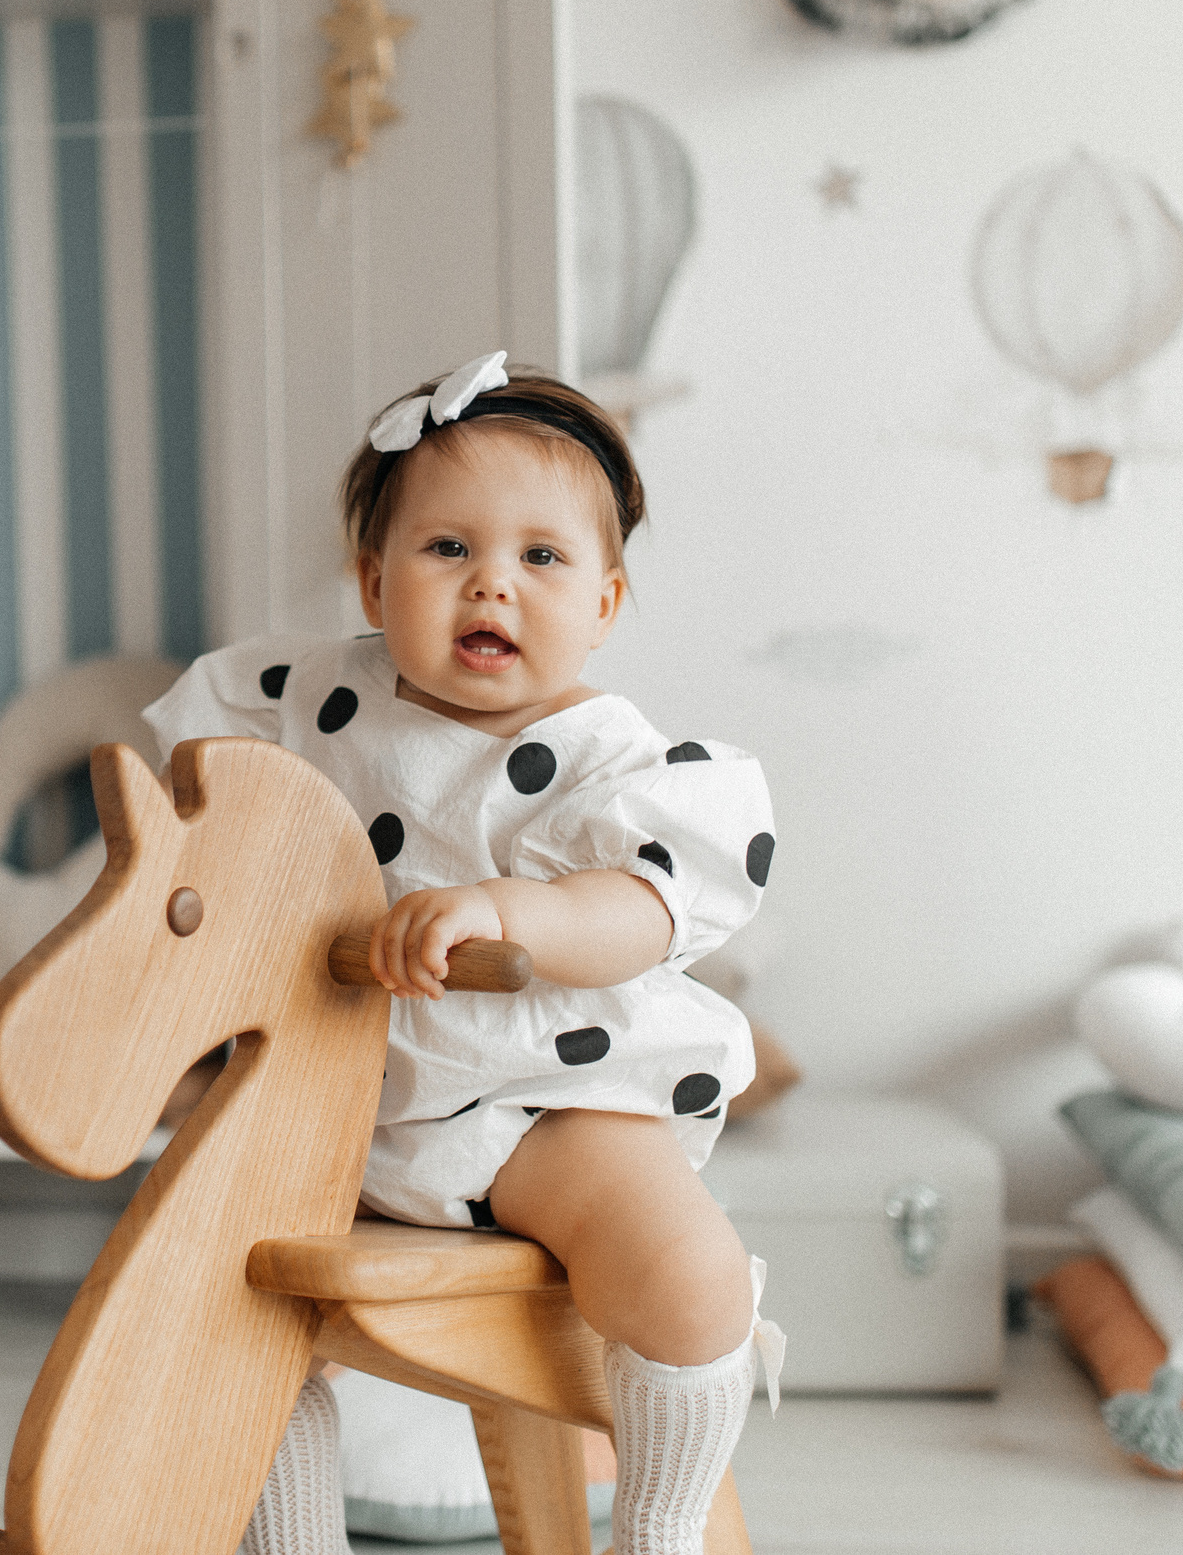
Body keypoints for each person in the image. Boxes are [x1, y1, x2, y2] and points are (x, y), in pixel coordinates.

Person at [143, 353, 783, 1555]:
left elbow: (644, 912)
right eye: (448, 551)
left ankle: (658, 1526)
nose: (493, 582)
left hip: (549, 1104)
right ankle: (285, 1539)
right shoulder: (306, 694)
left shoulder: (617, 761)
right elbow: (192, 786)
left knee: (691, 1276)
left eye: (542, 558)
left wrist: (516, 913)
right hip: (344, 1110)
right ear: (373, 579)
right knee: (222, 1285)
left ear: (603, 602)